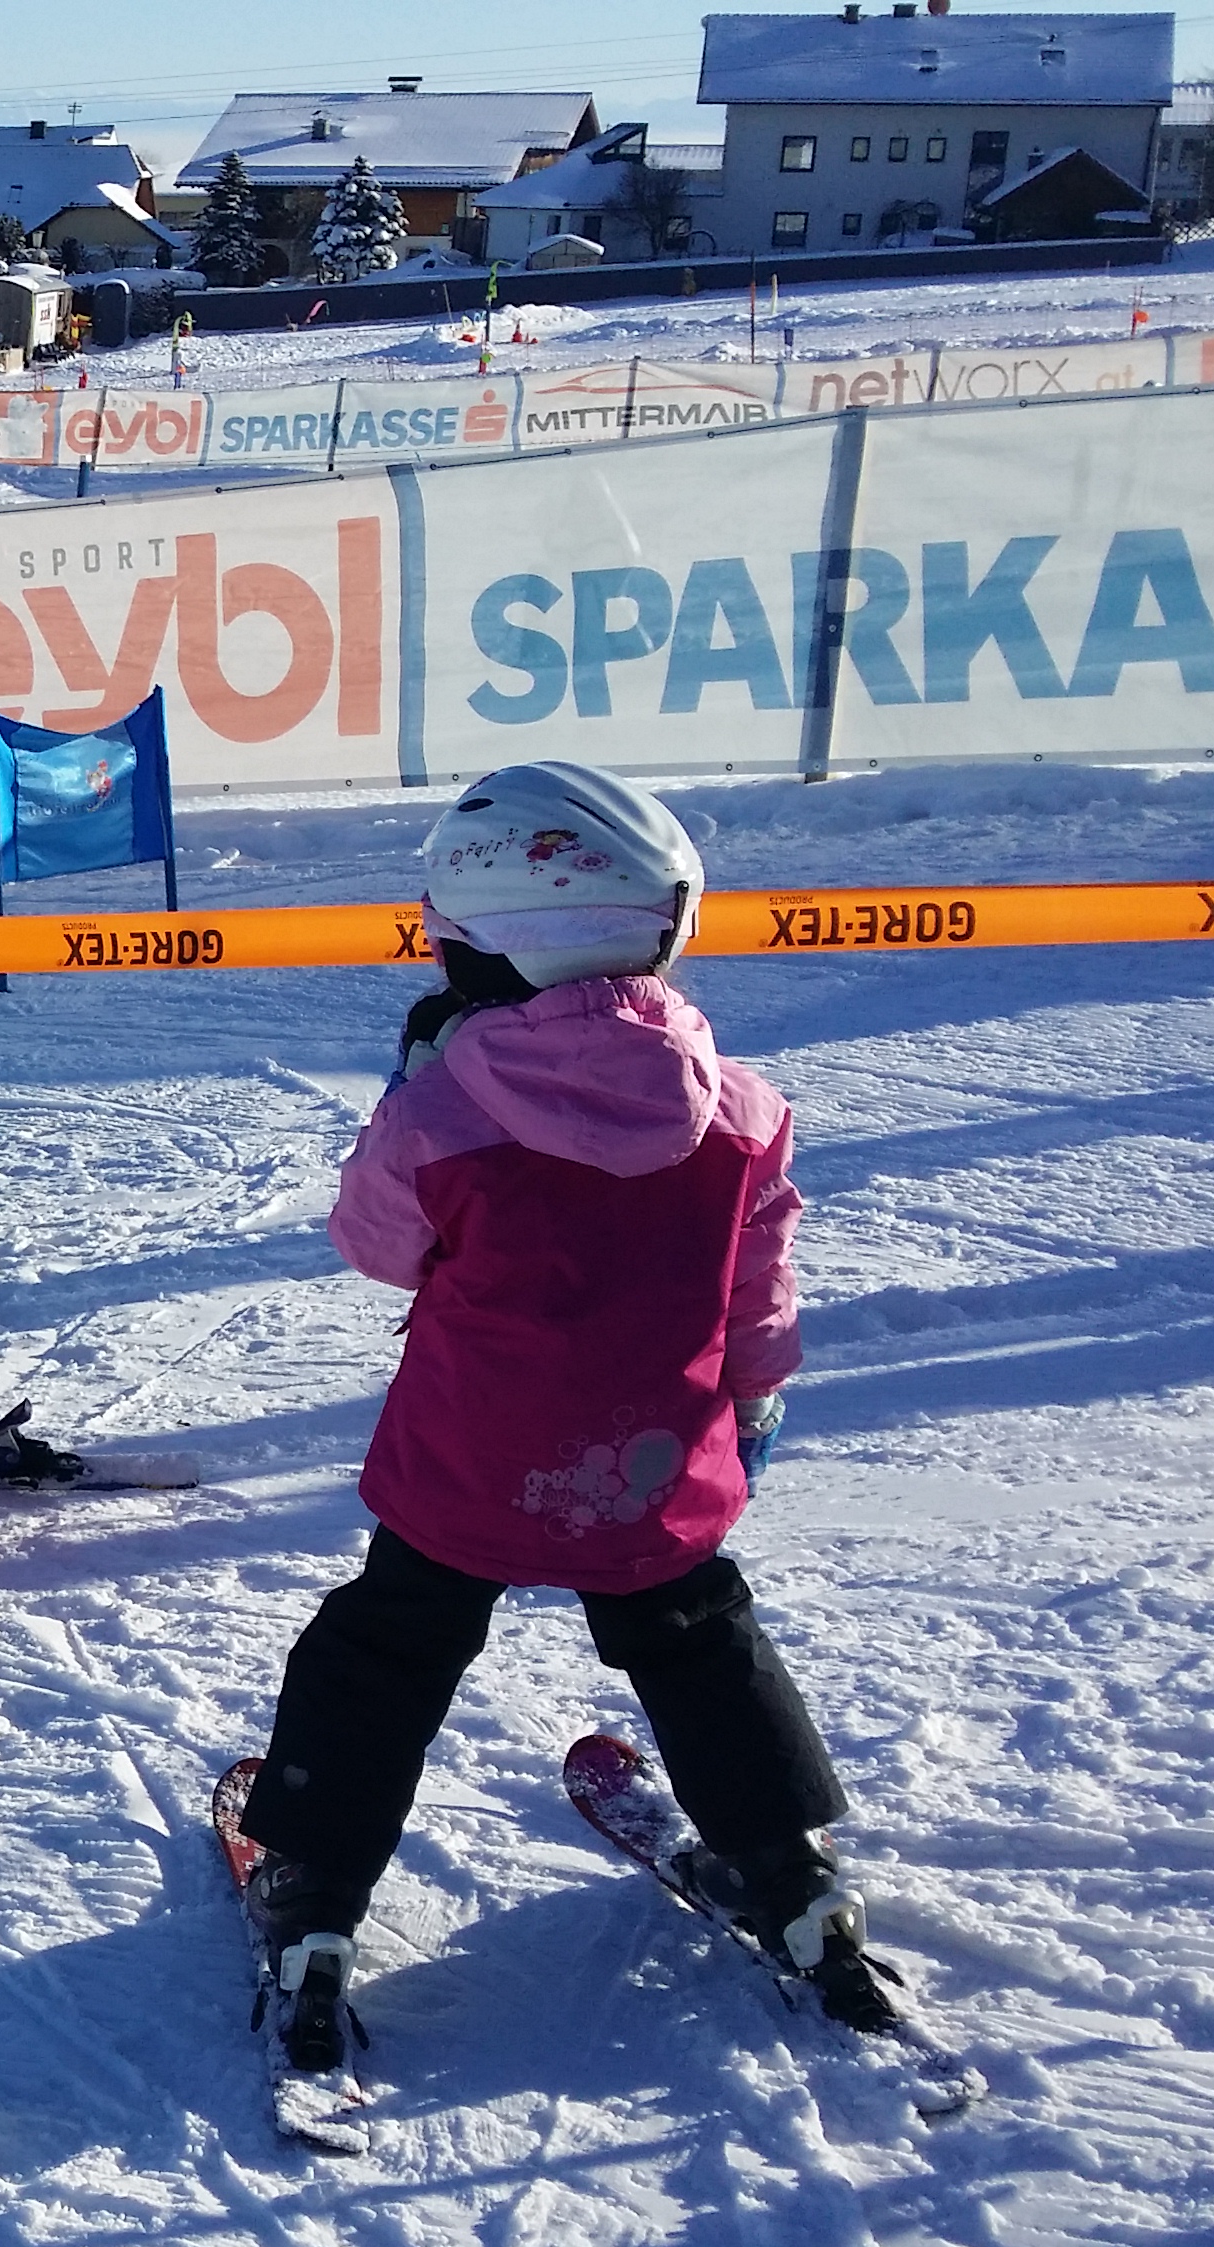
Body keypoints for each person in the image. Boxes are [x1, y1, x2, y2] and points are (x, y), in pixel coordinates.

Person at [235, 760, 874, 2072]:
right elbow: (759, 1289)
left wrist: (413, 1095)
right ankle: (787, 1866)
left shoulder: (448, 1109)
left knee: (391, 1646)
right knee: (696, 1635)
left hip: (471, 1464)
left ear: (479, 949)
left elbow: (376, 1245)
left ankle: (314, 1886)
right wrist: (753, 1399)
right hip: (648, 1465)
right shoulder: (742, 1113)